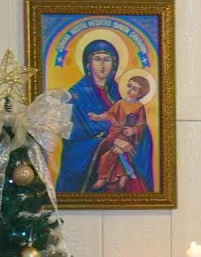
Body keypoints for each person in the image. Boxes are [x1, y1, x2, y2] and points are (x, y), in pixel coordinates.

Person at [56, 39, 155, 193]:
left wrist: (134, 132)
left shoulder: (119, 92)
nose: (102, 65)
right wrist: (111, 141)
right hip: (89, 161)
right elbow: (73, 135)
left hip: (123, 153)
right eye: (97, 59)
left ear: (114, 65)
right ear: (88, 64)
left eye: (107, 60)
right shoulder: (76, 95)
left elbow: (138, 124)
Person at [87, 74, 150, 192]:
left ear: (140, 94)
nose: (130, 90)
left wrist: (133, 130)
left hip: (127, 137)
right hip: (116, 134)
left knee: (115, 154)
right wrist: (97, 117)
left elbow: (141, 125)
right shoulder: (120, 103)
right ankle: (110, 177)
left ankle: (112, 178)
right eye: (129, 86)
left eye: (134, 89)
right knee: (111, 155)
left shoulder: (139, 107)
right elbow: (110, 114)